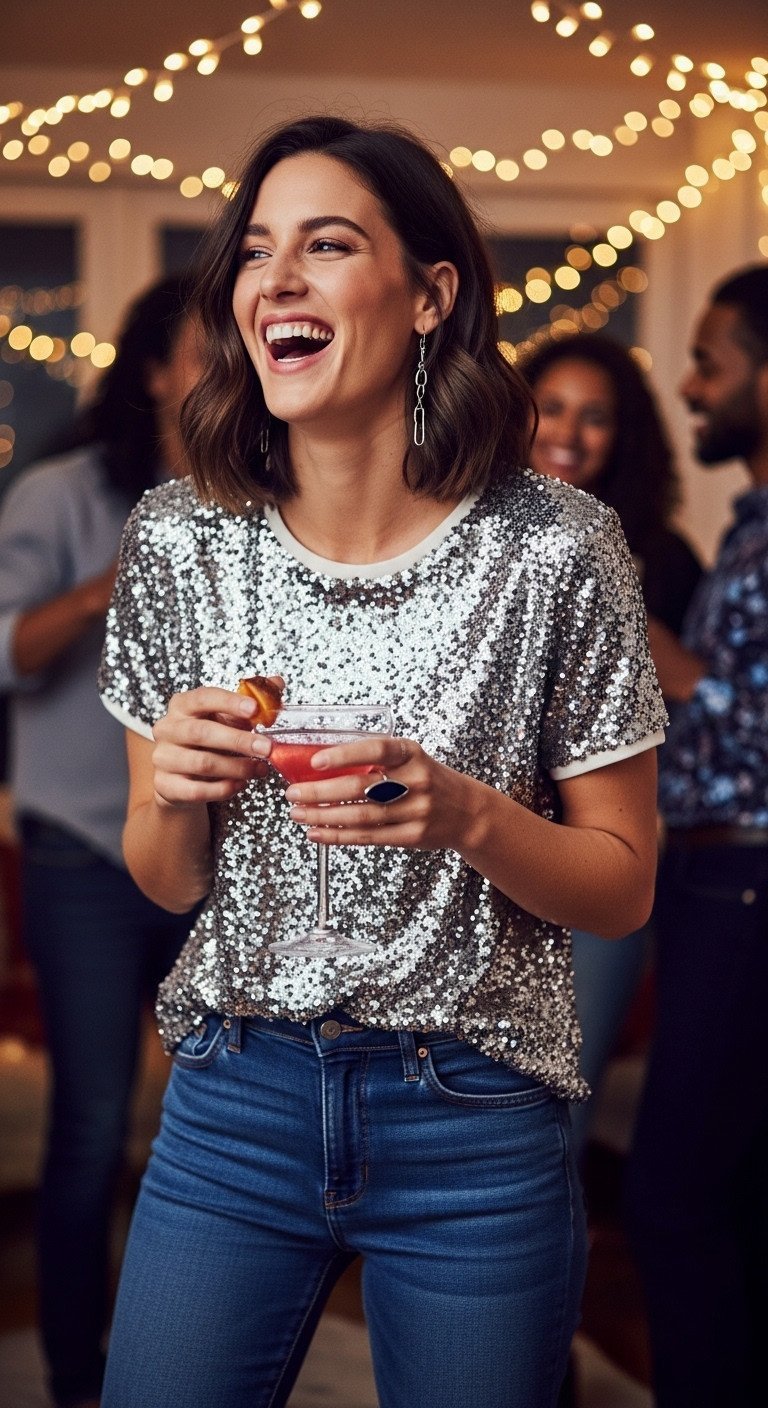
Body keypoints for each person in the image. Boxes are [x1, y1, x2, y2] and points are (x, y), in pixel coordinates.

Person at [97, 116, 666, 1408]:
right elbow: (166, 880)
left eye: (327, 245)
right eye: (253, 254)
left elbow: (623, 886)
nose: (274, 283)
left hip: (473, 1120)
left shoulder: (555, 550)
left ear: (429, 294)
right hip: (235, 1102)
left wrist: (469, 814)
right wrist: (179, 791)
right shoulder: (185, 540)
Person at [0, 275, 203, 1408]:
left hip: (201, 861)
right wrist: (107, 591)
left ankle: (181, 1361)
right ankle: (79, 1379)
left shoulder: (251, 502)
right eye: (204, 348)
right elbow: (4, 650)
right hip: (82, 853)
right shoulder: (60, 495)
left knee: (213, 1122)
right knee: (88, 1125)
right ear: (155, 373)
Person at [625, 264, 768, 1408]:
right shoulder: (749, 526)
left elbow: (746, 725)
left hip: (746, 886)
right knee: (730, 1193)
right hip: (715, 886)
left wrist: (653, 645)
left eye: (711, 363)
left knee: (671, 1196)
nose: (688, 383)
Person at [521, 335, 701, 1160]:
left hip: (603, 856)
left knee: (566, 1097)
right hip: (477, 849)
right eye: (553, 407)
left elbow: (707, 705)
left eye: (596, 417)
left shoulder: (660, 559)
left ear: (623, 436)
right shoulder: (468, 531)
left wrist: (624, 599)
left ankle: (553, 1274)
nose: (570, 431)